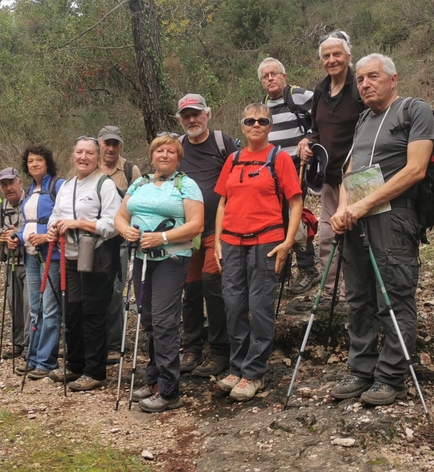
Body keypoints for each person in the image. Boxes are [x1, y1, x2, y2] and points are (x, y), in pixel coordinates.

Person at [328, 54, 434, 406]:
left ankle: (391, 377)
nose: (365, 84)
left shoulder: (414, 110)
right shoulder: (362, 120)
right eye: (360, 79)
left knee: (394, 296)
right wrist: (344, 208)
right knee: (358, 297)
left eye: (372, 77)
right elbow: (350, 171)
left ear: (393, 79)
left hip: (394, 216)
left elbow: (416, 169)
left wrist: (364, 203)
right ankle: (361, 370)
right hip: (357, 219)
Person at [214, 104, 302, 402]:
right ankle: (236, 367)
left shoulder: (279, 159)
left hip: (267, 242)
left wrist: (289, 241)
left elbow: (295, 202)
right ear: (242, 126)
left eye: (262, 121)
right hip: (231, 242)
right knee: (234, 305)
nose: (256, 125)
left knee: (260, 307)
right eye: (249, 120)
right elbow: (223, 203)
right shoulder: (233, 159)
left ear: (270, 126)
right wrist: (216, 241)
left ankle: (254, 372)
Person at [115, 134, 204, 412]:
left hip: (171, 259)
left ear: (178, 158)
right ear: (152, 155)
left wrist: (162, 238)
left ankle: (169, 390)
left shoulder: (186, 185)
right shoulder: (139, 183)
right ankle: (153, 380)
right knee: (150, 320)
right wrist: (125, 230)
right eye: (159, 151)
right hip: (142, 258)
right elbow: (120, 215)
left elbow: (197, 225)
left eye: (170, 152)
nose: (164, 155)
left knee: (165, 321)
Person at [46, 136, 121, 392]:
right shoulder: (66, 186)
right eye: (79, 152)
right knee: (73, 312)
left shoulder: (105, 185)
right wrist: (51, 229)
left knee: (93, 313)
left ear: (97, 157)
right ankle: (74, 364)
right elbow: (55, 216)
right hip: (69, 256)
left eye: (89, 153)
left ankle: (95, 371)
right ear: (72, 155)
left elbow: (113, 225)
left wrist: (78, 224)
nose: (83, 157)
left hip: (97, 257)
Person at [173, 94, 238, 377]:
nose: (192, 120)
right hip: (188, 232)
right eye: (186, 115)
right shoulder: (177, 148)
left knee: (213, 286)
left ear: (207, 115)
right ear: (180, 119)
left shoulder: (223, 143)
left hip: (216, 229)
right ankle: (191, 348)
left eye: (196, 114)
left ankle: (220, 350)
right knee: (190, 291)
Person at [302, 31, 366, 302]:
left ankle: (359, 292)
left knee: (358, 238)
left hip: (359, 177)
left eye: (336, 54)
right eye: (326, 56)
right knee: (327, 235)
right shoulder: (320, 90)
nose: (332, 60)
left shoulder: (359, 87)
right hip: (330, 177)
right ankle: (331, 292)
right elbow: (316, 130)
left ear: (348, 55)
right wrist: (307, 141)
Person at [258, 57, 319, 296]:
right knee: (276, 216)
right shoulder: (263, 107)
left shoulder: (299, 96)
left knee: (296, 214)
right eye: (266, 76)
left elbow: (324, 116)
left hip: (297, 165)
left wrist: (310, 139)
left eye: (274, 74)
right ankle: (281, 268)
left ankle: (307, 269)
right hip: (271, 169)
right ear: (262, 82)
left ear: (284, 76)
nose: (270, 78)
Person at [15, 145, 65, 379]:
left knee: (50, 308)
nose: (34, 164)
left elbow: (64, 216)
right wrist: (14, 237)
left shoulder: (58, 186)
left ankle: (46, 361)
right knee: (35, 307)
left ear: (47, 163)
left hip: (51, 254)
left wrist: (47, 236)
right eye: (30, 161)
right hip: (30, 254)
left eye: (39, 160)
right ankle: (33, 357)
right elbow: (27, 224)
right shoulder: (28, 191)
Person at [97, 126, 142, 365]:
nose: (111, 148)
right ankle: (95, 340)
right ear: (100, 143)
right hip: (93, 238)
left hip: (122, 239)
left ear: (120, 145)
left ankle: (114, 344)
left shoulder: (129, 169)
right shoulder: (91, 167)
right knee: (93, 290)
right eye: (107, 143)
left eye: (115, 144)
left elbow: (140, 201)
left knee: (116, 291)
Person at [0, 167, 29, 359]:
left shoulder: (31, 202)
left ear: (19, 182)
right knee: (14, 303)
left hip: (31, 262)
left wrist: (19, 236)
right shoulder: (1, 208)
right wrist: (2, 237)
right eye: (4, 185)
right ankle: (17, 343)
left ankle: (31, 346)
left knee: (30, 305)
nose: (8, 188)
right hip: (11, 263)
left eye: (11, 183)